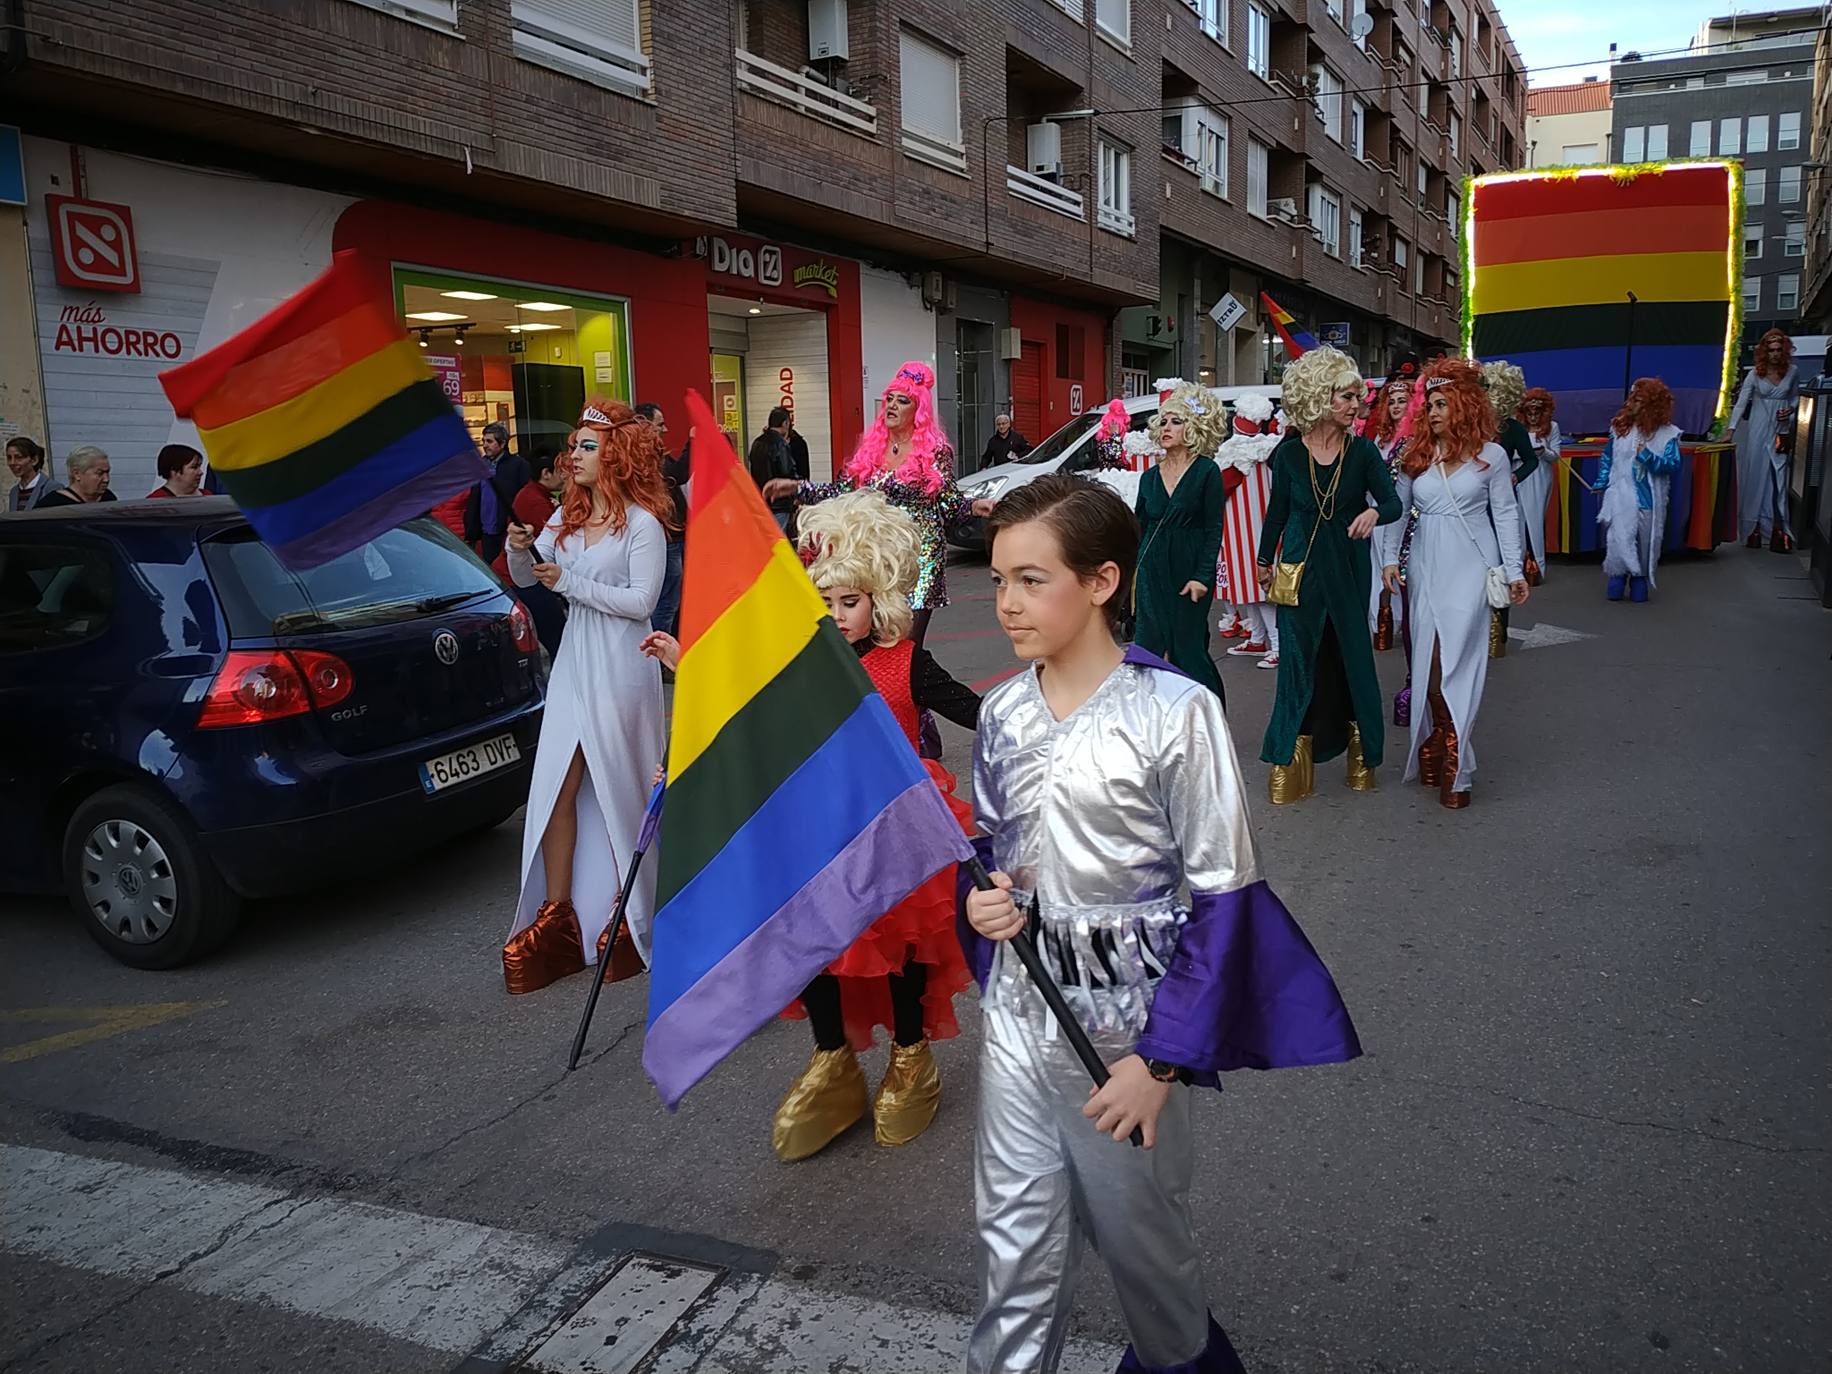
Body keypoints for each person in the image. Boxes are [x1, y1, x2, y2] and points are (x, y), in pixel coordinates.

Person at [961, 474, 1361, 1374]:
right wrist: (987, 902)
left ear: (1102, 582)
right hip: (1022, 1015)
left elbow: (1226, 903)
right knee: (1011, 1244)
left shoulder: (1178, 711)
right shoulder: (1002, 711)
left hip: (1127, 1031)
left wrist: (1162, 1059)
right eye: (997, 580)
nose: (1007, 605)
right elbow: (995, 851)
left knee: (1145, 1251)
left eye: (1031, 579)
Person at [642, 491, 980, 1160]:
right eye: (822, 602)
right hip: (814, 833)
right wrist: (691, 679)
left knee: (899, 953)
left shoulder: (904, 662)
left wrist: (1051, 709)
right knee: (816, 950)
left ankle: (911, 1057)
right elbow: (746, 723)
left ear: (878, 598)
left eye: (848, 602)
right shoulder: (795, 666)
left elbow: (979, 712)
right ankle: (833, 1059)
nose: (835, 616)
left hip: (893, 832)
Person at [500, 399, 673, 995]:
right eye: (573, 445)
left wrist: (567, 581)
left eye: (587, 446)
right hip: (575, 660)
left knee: (621, 785)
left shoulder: (643, 524)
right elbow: (527, 576)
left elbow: (641, 602)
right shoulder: (565, 518)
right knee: (557, 783)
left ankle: (633, 913)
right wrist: (523, 549)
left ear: (617, 455)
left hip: (625, 663)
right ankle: (558, 915)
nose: (573, 454)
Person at [1380, 359, 1530, 810]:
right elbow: (1398, 510)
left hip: (1471, 564)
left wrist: (1514, 570)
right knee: (1425, 659)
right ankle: (1438, 739)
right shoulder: (1417, 452)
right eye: (1430, 405)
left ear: (1464, 406)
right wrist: (1389, 558)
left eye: (1443, 404)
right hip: (1426, 564)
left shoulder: (1493, 456)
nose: (1434, 412)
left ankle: (1455, 758)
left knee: (1457, 659)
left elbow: (1505, 513)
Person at [1255, 347, 1402, 804]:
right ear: (1318, 397)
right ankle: (1291, 760)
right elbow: (1276, 514)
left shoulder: (1361, 453)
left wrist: (1375, 513)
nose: (1355, 405)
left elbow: (1394, 502)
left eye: (1357, 397)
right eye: (1345, 397)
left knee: (1351, 659)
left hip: (1348, 569)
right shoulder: (1288, 457)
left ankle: (1363, 757)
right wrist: (1263, 562)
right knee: (1298, 664)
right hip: (1301, 571)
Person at [764, 361, 993, 648]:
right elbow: (841, 493)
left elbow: (947, 504)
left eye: (903, 401)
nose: (892, 406)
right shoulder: (871, 449)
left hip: (920, 559)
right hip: (879, 556)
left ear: (918, 410)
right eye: (890, 399)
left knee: (905, 646)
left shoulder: (935, 451)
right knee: (875, 642)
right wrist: (797, 487)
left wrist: (974, 507)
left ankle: (907, 690)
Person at [1131, 380, 1227, 699]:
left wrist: (1202, 576)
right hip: (1151, 571)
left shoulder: (1207, 472)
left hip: (1190, 572)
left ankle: (1210, 719)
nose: (1166, 428)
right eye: (1163, 422)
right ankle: (1151, 726)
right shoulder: (1148, 477)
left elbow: (1214, 528)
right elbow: (1138, 527)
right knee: (1148, 649)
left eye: (1176, 421)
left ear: (1194, 427)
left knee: (1189, 650)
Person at [1597, 377, 1682, 605]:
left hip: (1647, 500)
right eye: (1632, 399)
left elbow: (1672, 465)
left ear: (1652, 406)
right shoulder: (1621, 428)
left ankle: (1639, 579)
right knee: (1617, 539)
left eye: (1639, 401)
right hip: (1621, 496)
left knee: (1645, 541)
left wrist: (1647, 455)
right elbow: (1608, 458)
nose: (1632, 405)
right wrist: (1601, 481)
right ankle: (1617, 575)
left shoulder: (1667, 435)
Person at [1216, 394, 1282, 669]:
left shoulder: (1236, 454)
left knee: (1259, 590)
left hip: (1252, 531)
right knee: (1248, 588)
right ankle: (1257, 638)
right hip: (1243, 530)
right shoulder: (1268, 449)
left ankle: (1277, 645)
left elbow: (1221, 488)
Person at [494, 446, 570, 658]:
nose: (566, 476)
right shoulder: (536, 501)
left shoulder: (538, 496)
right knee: (558, 638)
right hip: (524, 580)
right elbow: (551, 549)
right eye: (562, 470)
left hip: (526, 577)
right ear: (546, 473)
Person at [1727, 328, 1799, 552]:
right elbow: (1741, 402)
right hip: (1758, 427)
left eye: (1778, 350)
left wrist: (1791, 410)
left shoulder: (1793, 371)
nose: (1775, 354)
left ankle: (1778, 528)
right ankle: (1753, 529)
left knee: (1778, 478)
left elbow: (1797, 398)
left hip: (1780, 429)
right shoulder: (1755, 374)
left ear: (1784, 350)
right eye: (1771, 350)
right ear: (1764, 352)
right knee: (1756, 474)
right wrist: (1731, 429)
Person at [1365, 363, 1417, 651]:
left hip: (1408, 514)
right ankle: (1380, 622)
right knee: (1378, 566)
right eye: (1392, 402)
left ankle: (1400, 621)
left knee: (1400, 564)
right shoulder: (1379, 439)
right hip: (1378, 508)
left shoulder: (1416, 440)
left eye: (1403, 401)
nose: (1397, 406)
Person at [635, 402, 691, 635]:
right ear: (643, 424)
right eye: (660, 425)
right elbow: (678, 475)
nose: (665, 430)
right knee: (667, 601)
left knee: (671, 600)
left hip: (672, 535)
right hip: (668, 537)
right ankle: (659, 652)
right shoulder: (644, 458)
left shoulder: (652, 456)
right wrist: (693, 443)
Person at [465, 422, 532, 565]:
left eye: (489, 441)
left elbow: (525, 496)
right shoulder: (481, 465)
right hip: (486, 532)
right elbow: (475, 499)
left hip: (507, 530)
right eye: (483, 441)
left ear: (502, 444)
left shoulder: (518, 465)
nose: (485, 445)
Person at [1516, 387, 1560, 587]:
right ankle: (1518, 567)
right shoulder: (1517, 428)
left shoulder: (1553, 427)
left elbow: (1556, 456)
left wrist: (1543, 451)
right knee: (1516, 521)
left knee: (1534, 521)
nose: (1533, 417)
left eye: (1537, 413)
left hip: (1540, 477)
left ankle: (1537, 567)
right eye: (1529, 412)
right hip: (1518, 476)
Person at [748, 407, 797, 532]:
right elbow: (787, 471)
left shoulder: (757, 443)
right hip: (779, 503)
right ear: (785, 423)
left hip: (761, 502)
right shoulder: (780, 444)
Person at [36, 445, 117, 508]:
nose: (106, 479)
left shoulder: (109, 498)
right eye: (99, 473)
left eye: (107, 472)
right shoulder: (52, 504)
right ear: (77, 474)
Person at [6, 437, 51, 512]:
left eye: (19, 457)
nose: (12, 463)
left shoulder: (51, 488)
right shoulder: (14, 492)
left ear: (34, 460)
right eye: (9, 458)